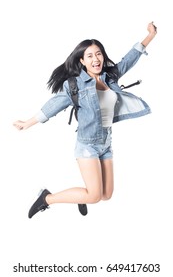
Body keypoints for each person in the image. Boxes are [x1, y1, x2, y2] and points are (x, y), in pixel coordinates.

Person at [13, 22, 157, 219]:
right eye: (90, 56)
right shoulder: (74, 86)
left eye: (98, 54)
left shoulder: (110, 76)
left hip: (106, 143)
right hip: (87, 145)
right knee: (95, 196)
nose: (96, 59)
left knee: (106, 195)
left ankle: (80, 196)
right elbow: (53, 105)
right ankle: (47, 198)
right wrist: (27, 123)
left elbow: (129, 59)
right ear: (82, 60)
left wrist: (150, 35)